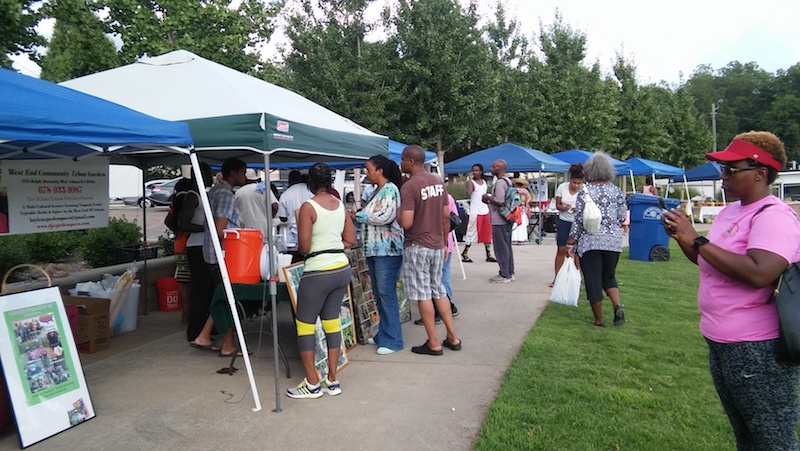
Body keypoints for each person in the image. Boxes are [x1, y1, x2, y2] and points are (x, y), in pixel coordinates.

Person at [662, 131, 800, 449]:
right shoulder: (730, 211)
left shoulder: (774, 215)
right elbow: (709, 260)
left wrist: (697, 239)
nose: (722, 176)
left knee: (772, 439)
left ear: (760, 174)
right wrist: (684, 238)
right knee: (746, 435)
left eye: (731, 170)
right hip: (722, 344)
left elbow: (759, 272)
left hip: (758, 349)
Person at [287, 162, 355, 399]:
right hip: (341, 268)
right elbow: (351, 238)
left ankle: (312, 383)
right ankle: (332, 379)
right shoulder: (340, 206)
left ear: (311, 184)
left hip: (317, 271)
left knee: (305, 325)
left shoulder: (308, 207)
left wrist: (319, 248)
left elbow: (304, 247)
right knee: (331, 322)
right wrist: (334, 247)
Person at [398, 145, 461, 356]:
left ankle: (433, 342)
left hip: (418, 244)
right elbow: (445, 215)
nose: (401, 163)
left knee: (422, 293)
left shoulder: (409, 186)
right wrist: (444, 242)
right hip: (436, 243)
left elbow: (406, 222)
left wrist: (397, 215)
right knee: (439, 289)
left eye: (403, 160)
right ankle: (452, 336)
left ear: (411, 162)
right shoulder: (437, 182)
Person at [189, 158, 248, 357]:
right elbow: (220, 230)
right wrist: (242, 236)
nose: (245, 177)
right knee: (225, 298)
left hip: (211, 253)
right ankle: (225, 343)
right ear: (233, 173)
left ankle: (206, 336)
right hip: (221, 254)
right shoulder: (225, 195)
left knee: (222, 297)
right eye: (243, 172)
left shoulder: (213, 191)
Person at [352, 155, 405, 355]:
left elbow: (384, 216)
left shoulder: (391, 190)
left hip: (387, 251)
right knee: (379, 293)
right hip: (374, 250)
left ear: (380, 170)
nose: (367, 173)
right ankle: (384, 332)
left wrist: (358, 215)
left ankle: (393, 339)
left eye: (369, 169)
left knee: (386, 293)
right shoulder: (377, 191)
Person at [566, 152, 626, 327]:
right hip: (613, 242)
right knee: (609, 277)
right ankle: (617, 305)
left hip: (590, 242)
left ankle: (598, 320)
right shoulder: (616, 191)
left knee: (593, 281)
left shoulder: (585, 191)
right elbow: (622, 217)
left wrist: (571, 242)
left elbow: (578, 220)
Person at [415, 191, 460, 326]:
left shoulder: (429, 199)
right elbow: (455, 217)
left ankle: (436, 311)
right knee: (444, 275)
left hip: (436, 243)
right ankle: (448, 305)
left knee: (432, 279)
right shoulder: (449, 197)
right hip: (448, 242)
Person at [181, 163, 214, 343]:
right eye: (207, 173)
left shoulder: (205, 195)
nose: (210, 177)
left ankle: (206, 328)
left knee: (208, 289)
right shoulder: (192, 197)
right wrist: (206, 228)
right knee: (199, 291)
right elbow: (183, 224)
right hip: (196, 246)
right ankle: (194, 331)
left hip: (205, 245)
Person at [164, 177, 196, 324]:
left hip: (179, 242)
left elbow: (168, 221)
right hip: (189, 242)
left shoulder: (176, 201)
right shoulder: (189, 200)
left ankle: (185, 314)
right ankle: (190, 314)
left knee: (184, 282)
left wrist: (177, 230)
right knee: (193, 283)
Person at [551, 164, 584, 287]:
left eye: (578, 183)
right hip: (564, 221)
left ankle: (576, 278)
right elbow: (557, 205)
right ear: (570, 180)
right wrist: (564, 208)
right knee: (561, 250)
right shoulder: (562, 187)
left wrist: (578, 209)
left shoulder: (584, 190)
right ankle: (557, 278)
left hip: (578, 223)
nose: (576, 185)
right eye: (574, 183)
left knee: (577, 251)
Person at [482, 159, 515, 283]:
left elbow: (500, 201)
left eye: (494, 166)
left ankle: (504, 274)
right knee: (507, 246)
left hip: (499, 219)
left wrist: (488, 198)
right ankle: (510, 272)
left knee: (501, 247)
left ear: (500, 168)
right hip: (507, 218)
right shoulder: (508, 181)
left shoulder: (500, 183)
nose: (491, 168)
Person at [461, 164, 495, 263]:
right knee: (471, 233)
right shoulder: (471, 182)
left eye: (477, 171)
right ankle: (465, 253)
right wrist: (469, 181)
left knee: (487, 233)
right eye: (473, 171)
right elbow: (469, 193)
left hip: (485, 210)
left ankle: (488, 254)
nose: (475, 172)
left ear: (481, 171)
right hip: (475, 211)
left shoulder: (484, 182)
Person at [277, 170, 312, 249]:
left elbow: (283, 218)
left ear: (289, 180)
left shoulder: (285, 194)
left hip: (294, 232)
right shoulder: (311, 190)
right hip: (311, 230)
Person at [511, 178, 532, 245]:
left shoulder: (512, 190)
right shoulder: (525, 191)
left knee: (514, 224)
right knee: (522, 225)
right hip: (522, 209)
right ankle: (521, 239)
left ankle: (514, 238)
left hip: (514, 209)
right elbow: (528, 201)